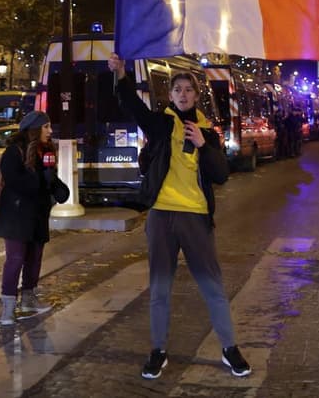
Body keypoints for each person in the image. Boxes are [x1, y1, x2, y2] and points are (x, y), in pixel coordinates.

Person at [107, 53, 251, 379]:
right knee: (159, 288)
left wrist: (204, 145)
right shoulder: (161, 125)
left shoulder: (208, 132)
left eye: (188, 89)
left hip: (195, 217)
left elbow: (221, 175)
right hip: (161, 216)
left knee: (212, 287)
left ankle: (229, 348)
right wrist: (121, 74)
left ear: (197, 96)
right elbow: (134, 107)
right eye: (177, 90)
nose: (183, 94)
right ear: (170, 96)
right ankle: (158, 351)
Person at [0, 111, 68, 325]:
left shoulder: (46, 151)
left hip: (37, 216)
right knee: (16, 259)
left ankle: (28, 299)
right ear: (34, 128)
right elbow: (16, 181)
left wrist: (56, 185)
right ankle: (8, 308)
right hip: (16, 217)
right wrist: (39, 179)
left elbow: (49, 179)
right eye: (46, 127)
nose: (50, 131)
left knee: (34, 259)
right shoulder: (13, 151)